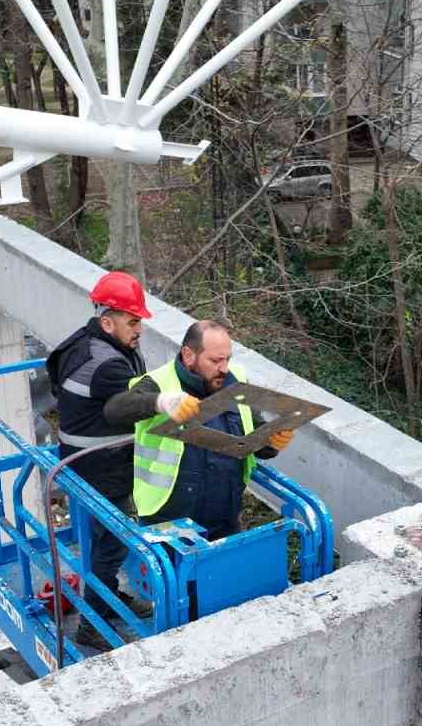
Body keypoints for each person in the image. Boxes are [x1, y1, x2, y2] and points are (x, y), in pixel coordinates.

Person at [104, 319, 294, 542]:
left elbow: (254, 435)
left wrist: (271, 442)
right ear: (188, 355)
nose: (223, 367)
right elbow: (114, 411)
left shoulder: (236, 380)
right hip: (168, 522)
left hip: (225, 519)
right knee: (176, 577)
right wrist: (161, 402)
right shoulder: (160, 383)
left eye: (227, 359)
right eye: (215, 360)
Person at [47, 272, 152, 648]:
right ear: (107, 321)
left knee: (102, 540)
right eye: (133, 321)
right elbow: (142, 406)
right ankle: (91, 624)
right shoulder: (107, 364)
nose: (139, 329)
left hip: (81, 458)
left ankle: (105, 598)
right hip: (100, 466)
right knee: (112, 543)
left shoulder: (87, 342)